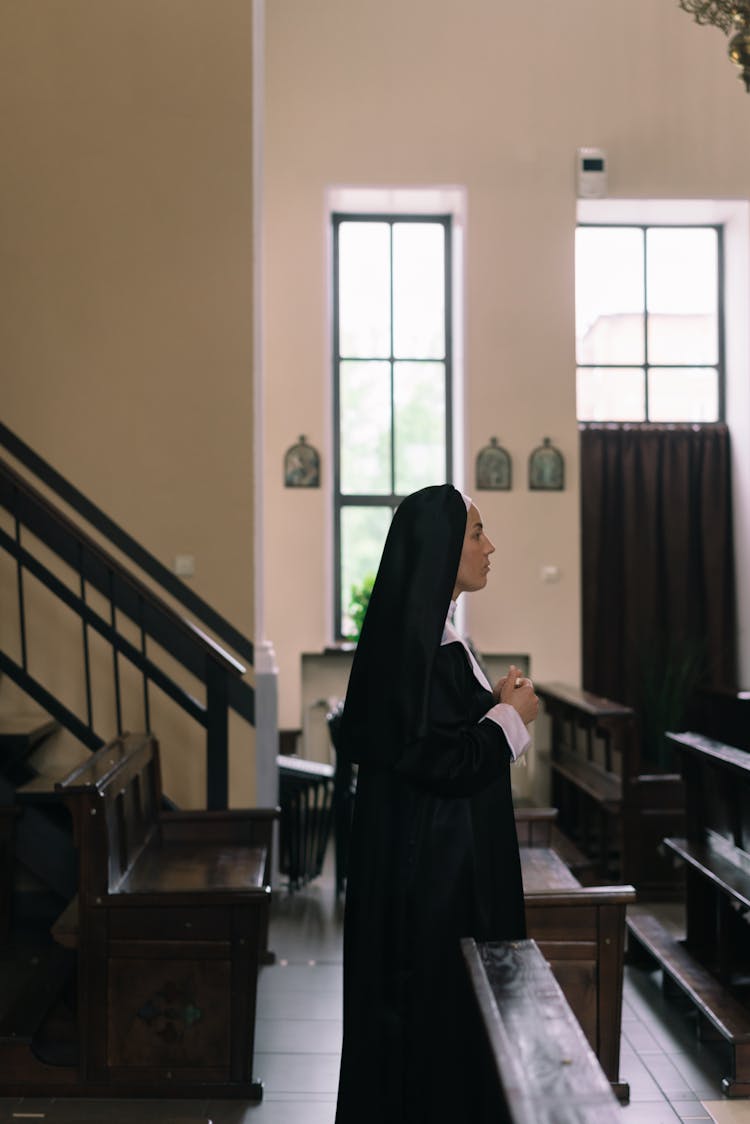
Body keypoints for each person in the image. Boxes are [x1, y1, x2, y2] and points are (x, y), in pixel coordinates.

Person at [335, 483, 538, 1124]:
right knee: (432, 1034)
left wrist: (495, 706)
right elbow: (442, 763)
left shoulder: (432, 638)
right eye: (477, 533)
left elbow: (439, 742)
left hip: (441, 870)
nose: (488, 546)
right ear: (441, 547)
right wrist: (509, 717)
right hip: (431, 888)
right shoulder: (414, 650)